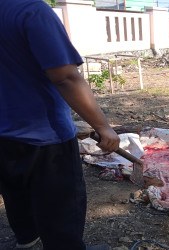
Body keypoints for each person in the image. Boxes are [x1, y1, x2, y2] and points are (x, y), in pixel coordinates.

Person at [0, 0, 120, 249]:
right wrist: (103, 127)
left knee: (15, 193)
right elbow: (65, 77)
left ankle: (27, 240)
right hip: (44, 136)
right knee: (61, 207)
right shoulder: (31, 10)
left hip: (4, 135)